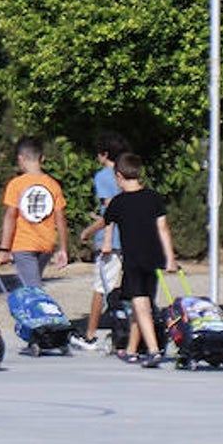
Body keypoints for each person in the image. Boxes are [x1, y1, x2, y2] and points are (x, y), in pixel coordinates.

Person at [83, 153, 178, 367]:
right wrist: (170, 258)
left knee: (140, 304)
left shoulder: (119, 202)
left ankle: (153, 350)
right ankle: (131, 350)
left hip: (134, 259)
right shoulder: (153, 197)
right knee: (140, 304)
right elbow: (163, 228)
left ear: (119, 176)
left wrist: (86, 233)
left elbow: (103, 222)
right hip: (154, 257)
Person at [72, 132, 131, 351]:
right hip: (129, 238)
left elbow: (111, 209)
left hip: (112, 240)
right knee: (128, 287)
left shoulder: (104, 176)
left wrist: (97, 233)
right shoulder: (127, 173)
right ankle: (130, 331)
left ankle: (90, 335)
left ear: (104, 154)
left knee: (100, 287)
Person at [0, 136, 70, 287]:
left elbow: (10, 216)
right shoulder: (53, 185)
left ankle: (39, 310)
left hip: (23, 244)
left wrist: (4, 248)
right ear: (42, 158)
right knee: (31, 285)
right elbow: (61, 219)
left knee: (33, 289)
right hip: (46, 244)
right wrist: (63, 248)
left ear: (20, 158)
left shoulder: (16, 184)